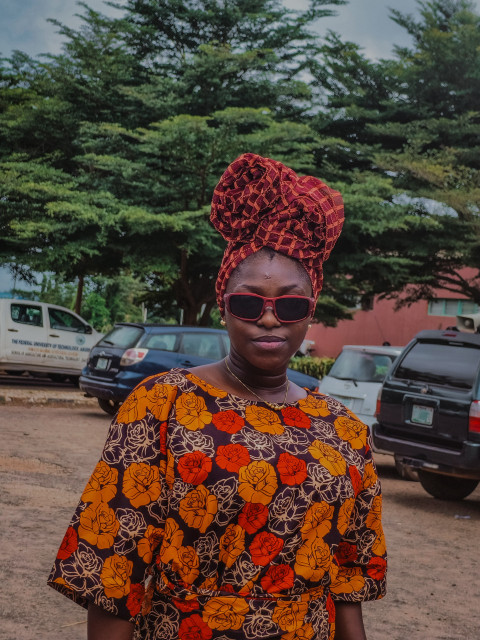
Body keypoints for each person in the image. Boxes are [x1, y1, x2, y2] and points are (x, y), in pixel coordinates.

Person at [48, 153, 387, 640]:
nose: (269, 318)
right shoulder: (162, 405)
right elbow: (111, 576)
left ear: (311, 310)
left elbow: (349, 585)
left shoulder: (342, 428)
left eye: (290, 304)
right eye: (249, 302)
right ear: (223, 301)